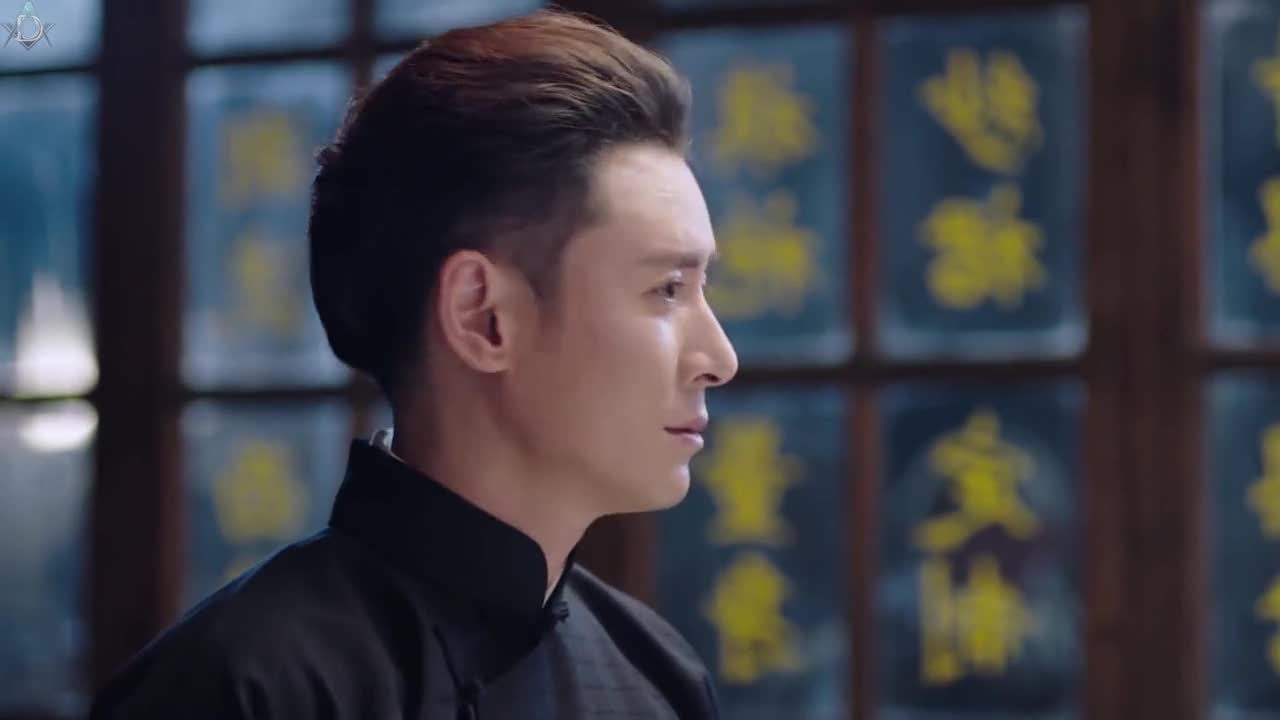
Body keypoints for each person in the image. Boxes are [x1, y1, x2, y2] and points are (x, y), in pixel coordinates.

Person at [88, 8, 738, 719]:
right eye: (666, 289)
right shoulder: (245, 687)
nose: (719, 358)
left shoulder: (658, 676)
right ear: (483, 316)